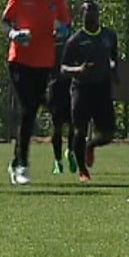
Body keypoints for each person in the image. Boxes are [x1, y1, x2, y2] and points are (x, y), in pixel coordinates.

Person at [2, 0, 72, 185]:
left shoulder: (58, 2)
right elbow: (5, 22)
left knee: (31, 112)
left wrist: (62, 31)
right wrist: (14, 33)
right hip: (19, 61)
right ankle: (22, 164)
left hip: (43, 62)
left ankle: (16, 162)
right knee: (27, 109)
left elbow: (66, 25)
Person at [60, 1, 118, 183]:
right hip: (82, 89)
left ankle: (90, 146)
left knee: (108, 134)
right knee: (80, 130)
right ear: (81, 16)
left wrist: (114, 69)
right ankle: (83, 171)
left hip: (102, 88)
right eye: (86, 12)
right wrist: (78, 70)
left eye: (93, 12)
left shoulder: (109, 35)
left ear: (99, 14)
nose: (91, 15)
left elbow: (114, 56)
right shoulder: (75, 40)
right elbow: (63, 68)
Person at [47, 20, 75, 175]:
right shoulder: (48, 46)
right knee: (57, 127)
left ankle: (70, 150)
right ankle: (57, 161)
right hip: (55, 89)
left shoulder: (73, 44)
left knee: (73, 125)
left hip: (71, 87)